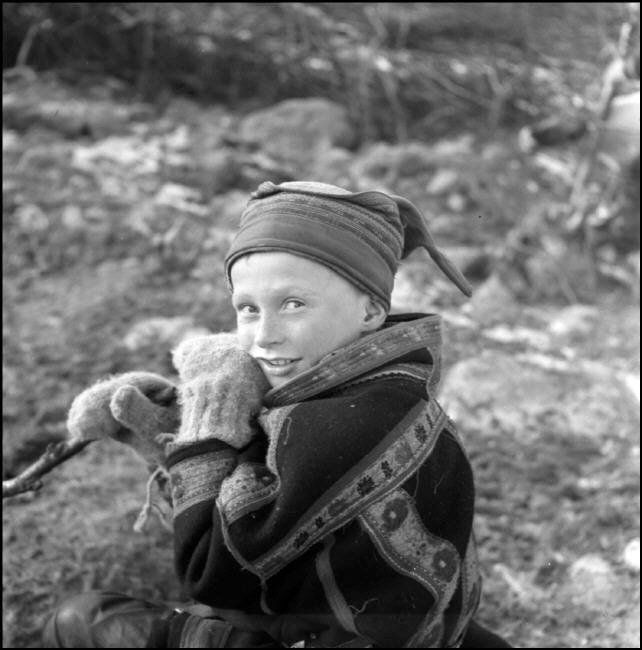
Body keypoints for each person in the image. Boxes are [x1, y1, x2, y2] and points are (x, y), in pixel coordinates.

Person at [43, 181, 512, 648]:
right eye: (248, 309)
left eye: (293, 304)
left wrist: (207, 425)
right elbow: (275, 508)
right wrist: (172, 435)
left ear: (370, 309)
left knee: (80, 620)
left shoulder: (338, 425)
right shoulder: (395, 390)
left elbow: (206, 572)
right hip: (407, 630)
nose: (264, 336)